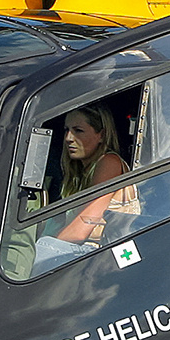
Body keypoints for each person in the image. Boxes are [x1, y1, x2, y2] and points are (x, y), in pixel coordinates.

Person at [30, 103, 128, 272]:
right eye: (67, 130)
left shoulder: (109, 162)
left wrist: (43, 252)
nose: (68, 137)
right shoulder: (78, 174)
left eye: (78, 131)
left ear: (102, 135)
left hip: (99, 254)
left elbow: (82, 228)